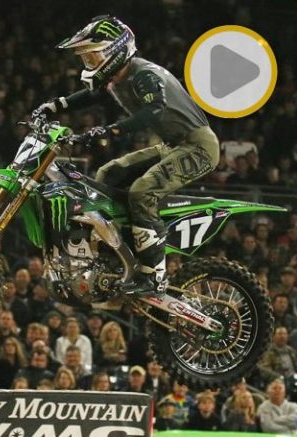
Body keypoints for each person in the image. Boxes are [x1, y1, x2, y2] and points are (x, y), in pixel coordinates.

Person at [34, 15, 219, 295]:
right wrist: (55, 105)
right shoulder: (117, 78)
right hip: (173, 145)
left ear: (115, 50)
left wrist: (111, 131)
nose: (89, 63)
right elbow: (92, 95)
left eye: (93, 56)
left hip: (198, 147)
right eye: (85, 58)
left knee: (142, 191)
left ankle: (154, 274)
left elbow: (155, 109)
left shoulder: (144, 74)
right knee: (108, 174)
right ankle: (121, 252)